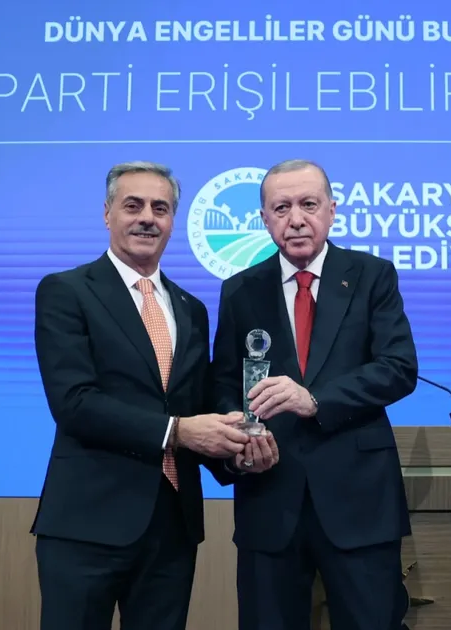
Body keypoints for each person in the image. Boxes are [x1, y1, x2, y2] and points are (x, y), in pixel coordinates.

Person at [30, 161, 263, 630]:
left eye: (160, 208)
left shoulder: (191, 309)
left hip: (171, 529)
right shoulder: (66, 291)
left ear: (173, 220)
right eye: (133, 205)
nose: (147, 218)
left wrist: (237, 450)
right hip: (87, 523)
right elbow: (74, 403)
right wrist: (177, 431)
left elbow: (195, 411)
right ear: (107, 213)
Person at [207, 159, 419, 630]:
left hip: (359, 500)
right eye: (281, 208)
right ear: (264, 218)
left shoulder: (371, 275)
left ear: (332, 210)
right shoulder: (240, 290)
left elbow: (398, 368)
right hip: (269, 497)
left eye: (308, 204)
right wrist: (238, 439)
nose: (296, 219)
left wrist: (315, 400)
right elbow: (223, 384)